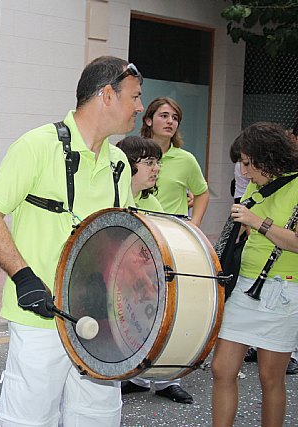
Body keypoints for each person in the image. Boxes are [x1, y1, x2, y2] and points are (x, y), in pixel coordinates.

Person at [0, 56, 142, 426]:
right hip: (39, 317)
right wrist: (24, 279)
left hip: (101, 322)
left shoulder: (119, 163)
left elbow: (123, 241)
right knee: (29, 421)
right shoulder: (36, 146)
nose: (140, 107)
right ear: (107, 96)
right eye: (134, 96)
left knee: (98, 420)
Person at [120, 97, 209, 403]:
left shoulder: (155, 192)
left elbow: (201, 193)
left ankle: (166, 377)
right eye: (150, 163)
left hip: (162, 253)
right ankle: (135, 375)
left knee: (159, 318)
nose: (157, 168)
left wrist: (191, 228)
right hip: (127, 270)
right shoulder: (112, 193)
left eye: (176, 117)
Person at [211, 122, 298, 427]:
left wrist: (257, 222)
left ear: (269, 156)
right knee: (221, 368)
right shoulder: (256, 185)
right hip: (245, 285)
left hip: (283, 291)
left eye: (248, 163)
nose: (244, 172)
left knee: (270, 378)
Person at [141, 97, 209, 227]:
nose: (170, 121)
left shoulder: (186, 160)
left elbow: (202, 193)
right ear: (148, 120)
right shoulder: (134, 156)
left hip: (173, 235)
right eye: (164, 116)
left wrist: (195, 223)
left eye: (175, 118)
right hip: (140, 233)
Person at [116, 135, 163, 211]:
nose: (157, 168)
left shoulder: (152, 204)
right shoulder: (109, 197)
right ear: (129, 164)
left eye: (157, 163)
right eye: (149, 163)